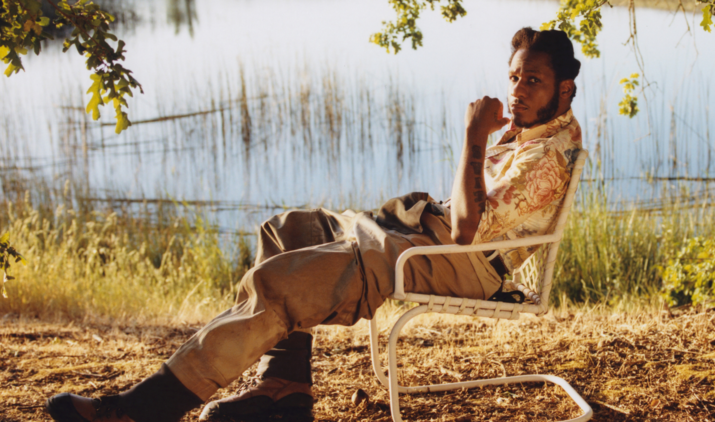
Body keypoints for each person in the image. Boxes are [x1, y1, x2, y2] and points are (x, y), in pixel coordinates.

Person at [45, 27, 583, 422]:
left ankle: (142, 410)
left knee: (279, 285)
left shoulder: (548, 158)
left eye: (532, 81)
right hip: (425, 234)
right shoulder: (532, 130)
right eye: (514, 76)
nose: (517, 90)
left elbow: (467, 234)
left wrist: (472, 137)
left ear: (563, 90)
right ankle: (284, 390)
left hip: (455, 262)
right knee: (289, 230)